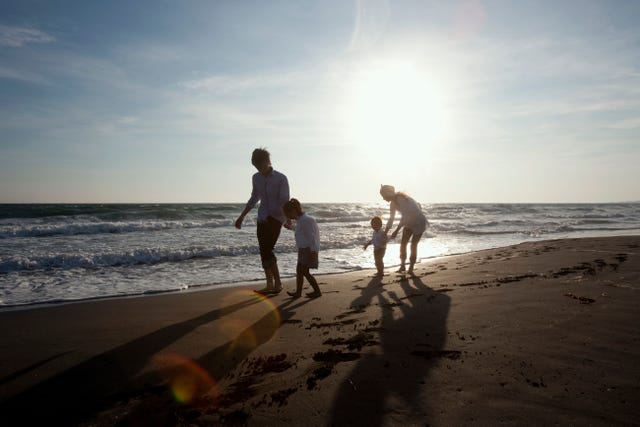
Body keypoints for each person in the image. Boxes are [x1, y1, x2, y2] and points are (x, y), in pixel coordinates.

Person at [235, 148, 290, 295]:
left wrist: (288, 219)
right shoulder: (256, 178)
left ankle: (277, 283)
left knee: (268, 249)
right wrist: (242, 216)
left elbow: (284, 201)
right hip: (262, 217)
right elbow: (254, 198)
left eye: (262, 165)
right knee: (263, 251)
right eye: (257, 167)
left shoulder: (281, 178)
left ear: (268, 161)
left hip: (276, 218)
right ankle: (269, 284)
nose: (260, 169)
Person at [379, 184, 428, 274]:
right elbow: (391, 219)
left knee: (413, 245)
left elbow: (407, 215)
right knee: (403, 244)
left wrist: (396, 231)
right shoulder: (393, 204)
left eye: (383, 196)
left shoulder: (402, 199)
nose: (383, 198)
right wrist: (385, 232)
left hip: (419, 222)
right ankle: (402, 266)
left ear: (388, 194)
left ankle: (411, 267)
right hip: (409, 222)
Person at [282, 198, 322, 299]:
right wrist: (290, 227)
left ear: (294, 211)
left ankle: (317, 291)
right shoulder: (301, 220)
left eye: (288, 214)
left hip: (308, 249)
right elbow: (300, 230)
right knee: (300, 271)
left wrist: (314, 251)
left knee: (304, 271)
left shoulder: (307, 220)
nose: (288, 217)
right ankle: (298, 292)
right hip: (303, 249)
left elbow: (312, 237)